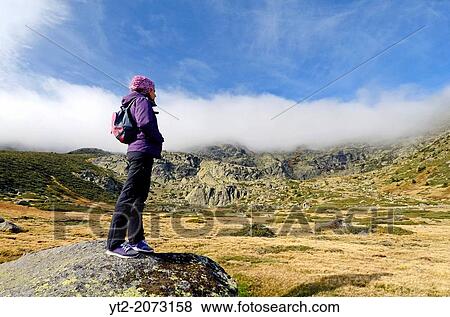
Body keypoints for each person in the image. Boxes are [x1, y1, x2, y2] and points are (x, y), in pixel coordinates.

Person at [106, 75, 164, 258]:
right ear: (148, 89)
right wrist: (158, 137)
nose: (156, 94)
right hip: (142, 152)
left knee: (138, 198)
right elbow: (145, 123)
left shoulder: (133, 102)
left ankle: (136, 240)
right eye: (154, 90)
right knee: (129, 195)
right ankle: (114, 243)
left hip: (140, 152)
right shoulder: (142, 101)